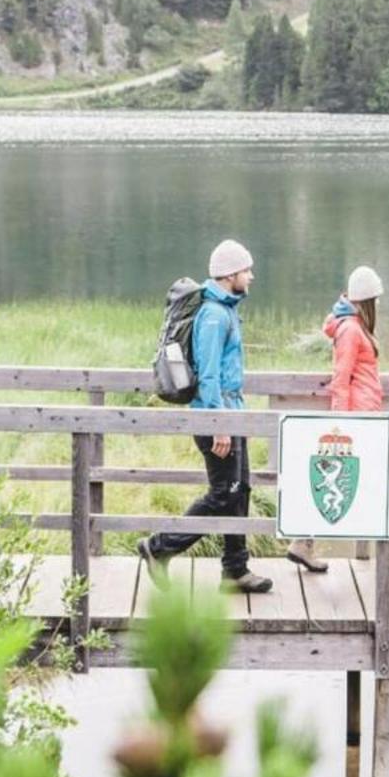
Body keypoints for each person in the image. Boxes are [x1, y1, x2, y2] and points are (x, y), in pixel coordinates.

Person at [137, 239, 273, 593]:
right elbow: (209, 375)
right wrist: (219, 425)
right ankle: (159, 547)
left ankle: (235, 569)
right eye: (247, 270)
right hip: (218, 420)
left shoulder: (226, 308)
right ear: (230, 275)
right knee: (222, 492)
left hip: (232, 416)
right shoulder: (213, 315)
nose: (252, 276)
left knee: (239, 489)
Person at [290, 264, 389, 576]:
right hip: (357, 421)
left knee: (355, 484)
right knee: (378, 484)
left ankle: (303, 542)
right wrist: (341, 426)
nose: (380, 306)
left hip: (363, 417)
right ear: (368, 301)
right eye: (376, 300)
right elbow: (341, 378)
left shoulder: (353, 326)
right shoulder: (350, 330)